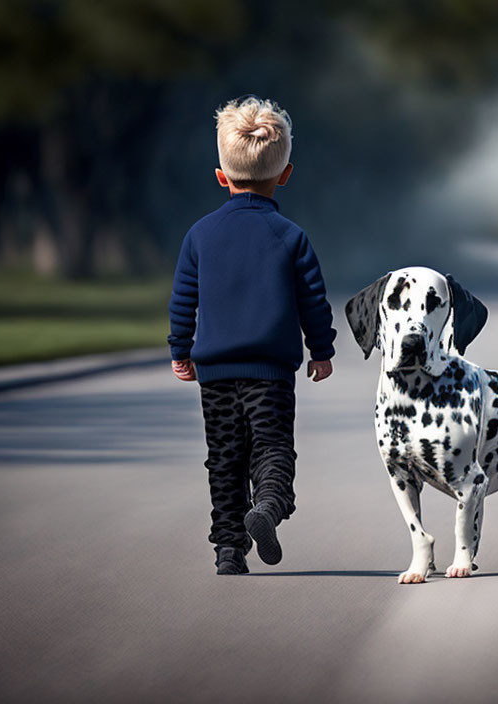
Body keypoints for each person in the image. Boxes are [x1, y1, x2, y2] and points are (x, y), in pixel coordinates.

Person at [168, 95, 336, 575]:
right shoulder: (291, 235)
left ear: (222, 177)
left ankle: (228, 550)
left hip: (216, 375)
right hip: (271, 376)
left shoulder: (200, 235)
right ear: (284, 175)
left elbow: (183, 302)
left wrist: (181, 350)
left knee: (224, 460)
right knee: (272, 449)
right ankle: (267, 507)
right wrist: (321, 351)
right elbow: (313, 302)